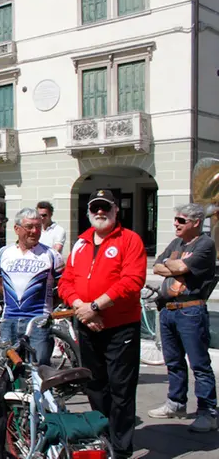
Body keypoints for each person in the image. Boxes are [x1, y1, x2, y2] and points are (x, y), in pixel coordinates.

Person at [58, 189, 146, 459]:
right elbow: (66, 282)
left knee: (121, 389)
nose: (100, 212)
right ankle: (103, 435)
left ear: (115, 210)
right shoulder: (81, 243)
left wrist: (95, 306)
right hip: (87, 325)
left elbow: (132, 282)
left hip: (120, 328)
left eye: (105, 207)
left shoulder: (130, 240)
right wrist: (80, 308)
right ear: (88, 212)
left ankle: (120, 448)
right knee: (95, 386)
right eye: (95, 208)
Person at [148, 203, 218, 432]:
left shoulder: (205, 244)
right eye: (176, 219)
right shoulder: (176, 243)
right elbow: (158, 266)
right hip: (168, 310)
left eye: (181, 220)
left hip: (191, 309)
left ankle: (208, 412)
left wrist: (174, 266)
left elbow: (178, 265)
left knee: (199, 364)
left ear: (196, 222)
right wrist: (175, 267)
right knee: (173, 361)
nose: (176, 224)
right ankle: (176, 403)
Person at [0, 208, 64, 365]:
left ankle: (40, 391)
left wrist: (49, 307)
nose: (35, 231)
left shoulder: (52, 255)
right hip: (9, 320)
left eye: (38, 227)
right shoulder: (3, 253)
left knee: (38, 369)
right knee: (10, 370)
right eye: (29, 227)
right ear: (17, 229)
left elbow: (63, 287)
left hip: (38, 321)